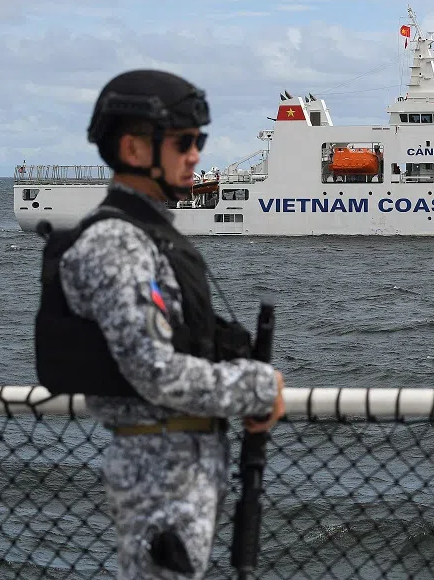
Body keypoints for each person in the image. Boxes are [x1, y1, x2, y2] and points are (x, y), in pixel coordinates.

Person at [34, 69, 285, 579]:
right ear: (134, 149)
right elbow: (154, 370)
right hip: (159, 469)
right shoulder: (119, 244)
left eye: (199, 140)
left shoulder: (148, 236)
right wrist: (256, 386)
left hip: (180, 463)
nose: (196, 154)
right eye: (183, 141)